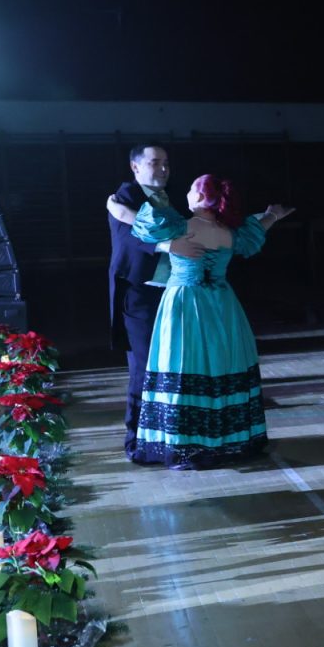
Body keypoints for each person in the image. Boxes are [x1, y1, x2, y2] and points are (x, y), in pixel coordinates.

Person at [105, 175, 293, 468]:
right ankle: (224, 440)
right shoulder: (230, 233)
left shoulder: (181, 227)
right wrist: (273, 215)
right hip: (222, 306)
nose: (187, 193)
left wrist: (111, 205)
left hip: (185, 304)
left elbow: (136, 222)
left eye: (192, 190)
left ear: (203, 198)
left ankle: (184, 446)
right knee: (219, 367)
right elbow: (256, 230)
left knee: (183, 365)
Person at [107, 145, 203, 463]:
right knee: (145, 366)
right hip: (139, 295)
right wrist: (169, 244)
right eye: (154, 163)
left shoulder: (172, 196)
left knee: (174, 365)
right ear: (135, 167)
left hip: (172, 293)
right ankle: (135, 441)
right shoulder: (126, 196)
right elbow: (131, 238)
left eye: (166, 163)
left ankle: (172, 437)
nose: (163, 169)